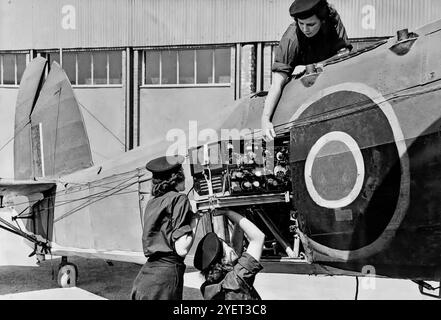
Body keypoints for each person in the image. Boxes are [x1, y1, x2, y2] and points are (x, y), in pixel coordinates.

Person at [261, 0, 352, 141]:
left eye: (311, 24)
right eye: (300, 23)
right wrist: (265, 119)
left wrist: (318, 65)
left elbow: (345, 54)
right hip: (301, 87)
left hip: (331, 78)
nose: (305, 29)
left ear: (322, 20)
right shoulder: (291, 40)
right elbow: (277, 83)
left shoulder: (332, 21)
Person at [131, 155, 201, 300]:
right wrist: (194, 219)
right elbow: (181, 249)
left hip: (145, 279)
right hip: (165, 278)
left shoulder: (152, 203)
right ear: (176, 177)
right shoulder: (179, 199)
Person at [193, 209, 265, 300]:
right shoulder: (237, 278)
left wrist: (239, 215)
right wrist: (228, 212)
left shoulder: (207, 287)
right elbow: (258, 237)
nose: (231, 248)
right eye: (227, 246)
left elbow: (235, 249)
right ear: (224, 260)